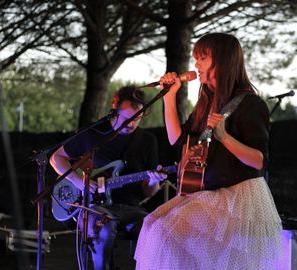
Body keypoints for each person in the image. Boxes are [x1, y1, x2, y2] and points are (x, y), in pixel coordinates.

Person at [134, 33, 283, 269]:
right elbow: (178, 139)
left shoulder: (249, 104)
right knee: (152, 224)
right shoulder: (207, 101)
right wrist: (169, 97)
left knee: (164, 231)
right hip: (211, 194)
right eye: (196, 59)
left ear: (222, 61)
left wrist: (224, 136)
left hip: (238, 198)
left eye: (202, 58)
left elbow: (258, 160)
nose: (196, 65)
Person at [50, 86, 166, 270]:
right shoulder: (94, 133)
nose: (131, 123)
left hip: (130, 208)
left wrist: (153, 180)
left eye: (137, 118)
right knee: (103, 226)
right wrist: (79, 182)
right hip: (94, 206)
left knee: (157, 228)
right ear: (115, 107)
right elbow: (56, 158)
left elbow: (148, 191)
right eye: (127, 118)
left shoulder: (147, 141)